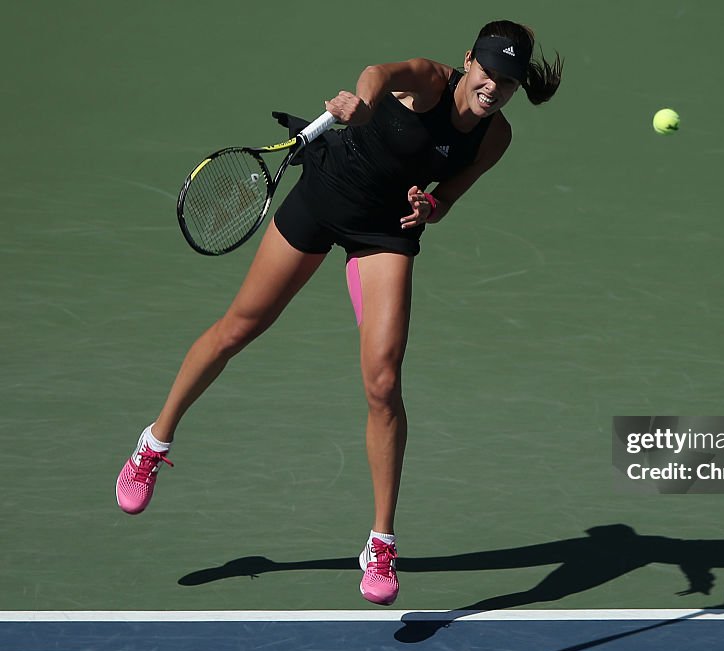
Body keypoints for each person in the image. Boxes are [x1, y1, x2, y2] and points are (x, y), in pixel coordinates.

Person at [115, 20, 563, 606]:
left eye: (507, 83)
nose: (495, 88)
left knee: (383, 382)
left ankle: (381, 541)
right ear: (468, 63)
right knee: (238, 329)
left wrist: (432, 206)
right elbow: (379, 74)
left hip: (383, 233)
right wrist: (362, 103)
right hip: (324, 198)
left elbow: (450, 195)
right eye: (489, 74)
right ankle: (154, 442)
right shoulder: (428, 79)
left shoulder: (495, 137)